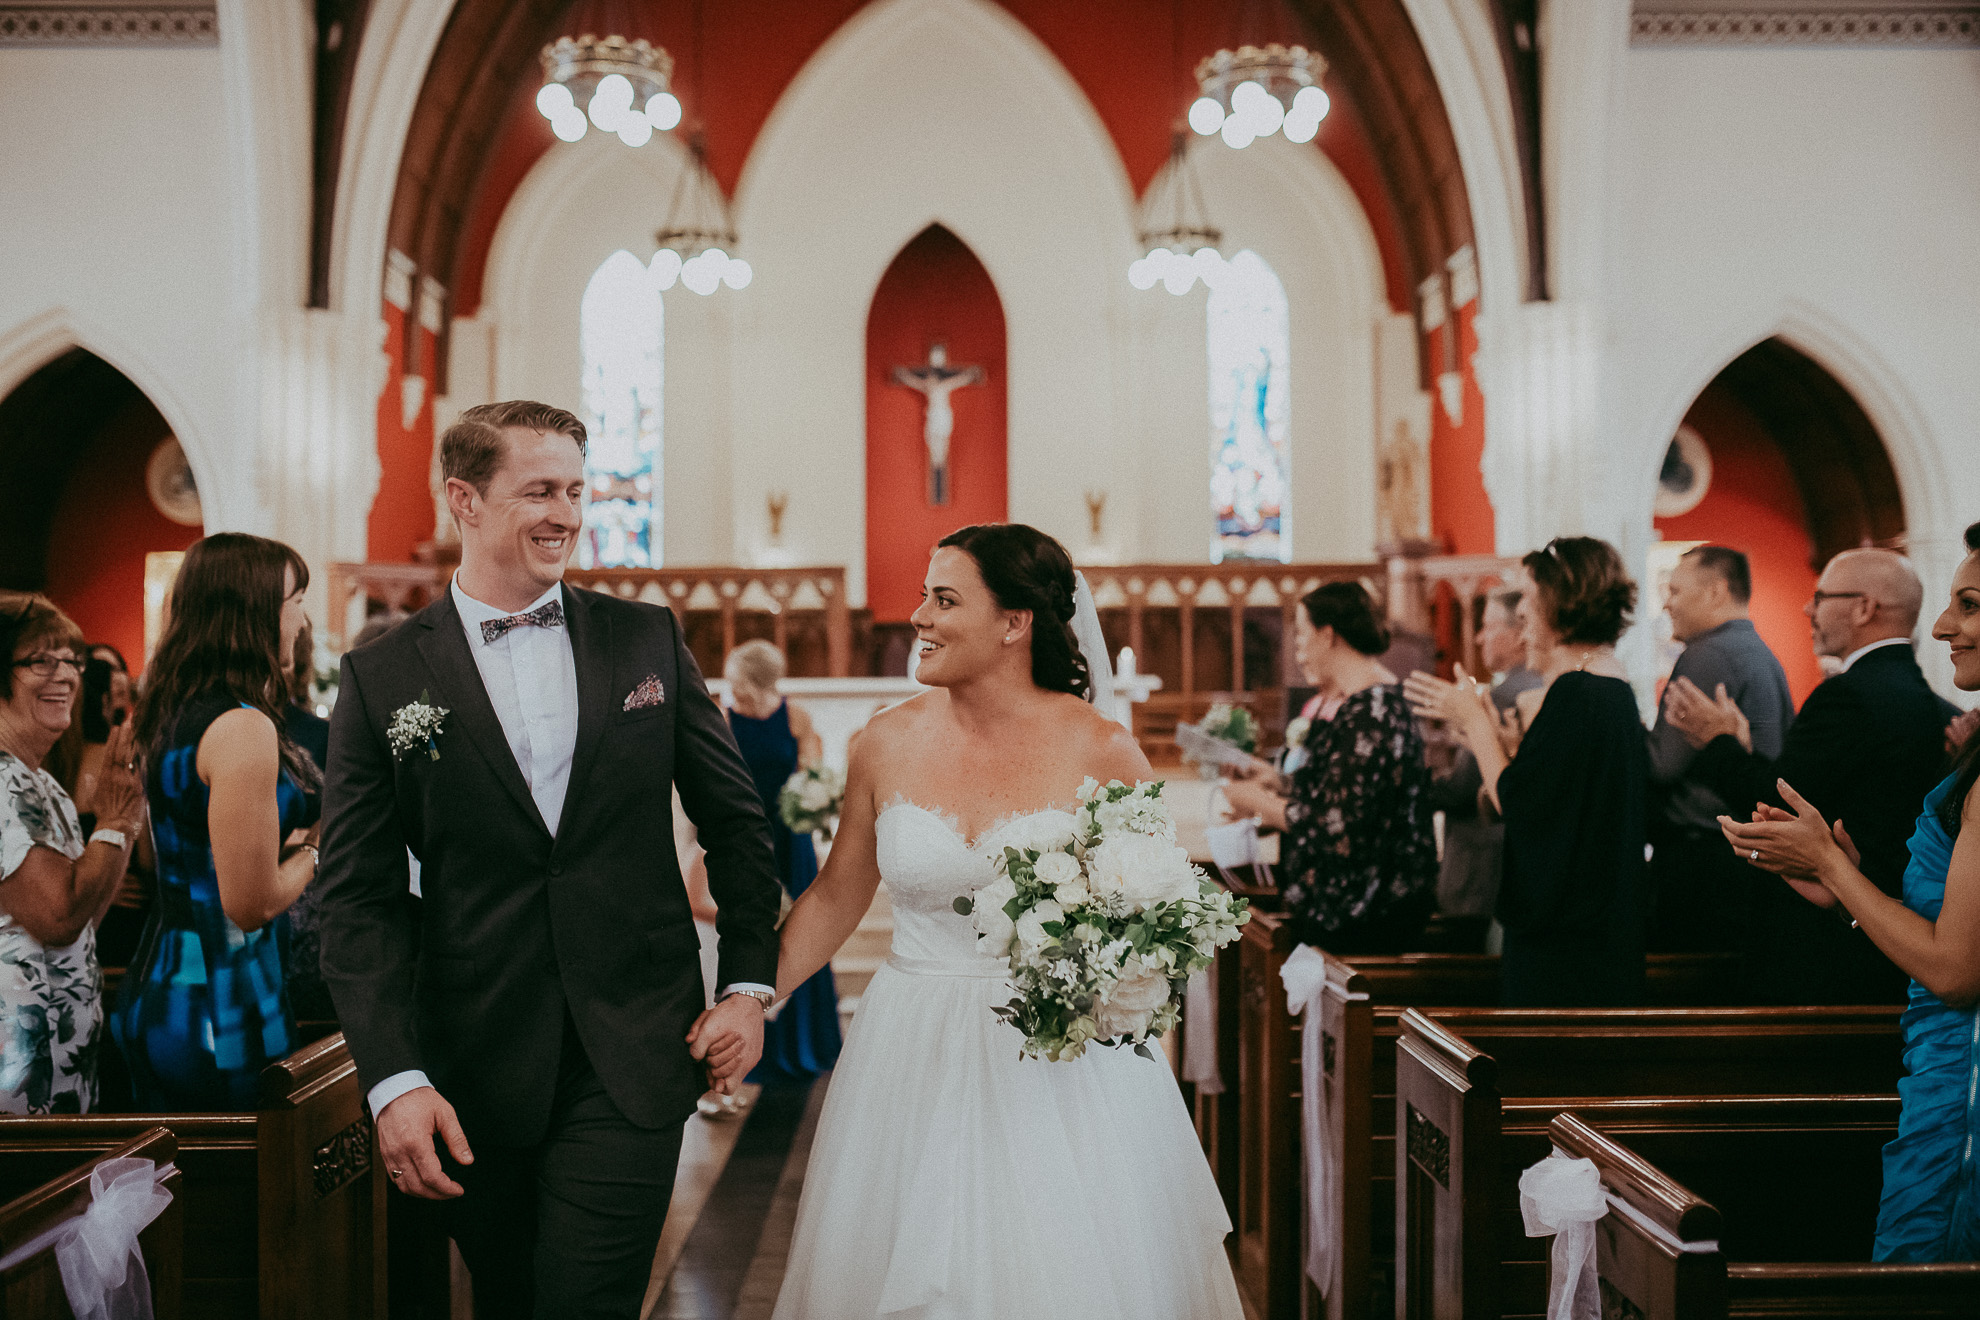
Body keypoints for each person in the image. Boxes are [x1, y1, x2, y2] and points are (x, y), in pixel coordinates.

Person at [316, 400, 784, 1319]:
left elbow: (736, 822)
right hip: (472, 1057)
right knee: (512, 1295)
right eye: (539, 490)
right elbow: (357, 897)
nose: (566, 514)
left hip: (635, 1045)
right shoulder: (383, 677)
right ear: (466, 499)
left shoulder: (644, 640)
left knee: (584, 1299)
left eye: (575, 490)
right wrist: (394, 1079)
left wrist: (747, 987)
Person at [742, 523, 1243, 1319]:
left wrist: (1109, 976)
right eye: (922, 596)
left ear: (1015, 623)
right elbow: (837, 895)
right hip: (911, 1046)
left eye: (945, 600)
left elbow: (1160, 917)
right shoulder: (884, 742)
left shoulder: (1101, 748)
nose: (918, 618)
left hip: (1056, 1065)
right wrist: (745, 998)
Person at [1720, 521, 1980, 1262]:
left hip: (1964, 1079)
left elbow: (1959, 971)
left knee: (1931, 1273)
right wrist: (1844, 890)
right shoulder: (1941, 718)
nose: (1942, 626)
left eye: (1969, 604)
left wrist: (1833, 869)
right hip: (1935, 1057)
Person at [1665, 548, 1956, 1004]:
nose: (1808, 608)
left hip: (1828, 939)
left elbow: (1777, 804)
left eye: (1820, 597)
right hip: (1888, 926)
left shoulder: (1850, 696)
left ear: (1864, 608)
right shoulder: (1920, 697)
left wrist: (1717, 740)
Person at [112, 534, 323, 1109]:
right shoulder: (241, 726)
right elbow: (249, 904)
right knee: (251, 1191)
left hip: (162, 980)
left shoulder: (168, 711)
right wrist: (318, 846)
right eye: (296, 601)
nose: (302, 622)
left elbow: (160, 860)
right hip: (224, 1000)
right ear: (251, 613)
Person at [1407, 537, 1647, 1007]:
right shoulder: (1607, 689)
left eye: (1531, 604)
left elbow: (1518, 802)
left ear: (1563, 606)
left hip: (1567, 941)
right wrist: (1507, 742)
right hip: (1597, 925)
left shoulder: (1577, 693)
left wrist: (1475, 721)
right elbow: (1558, 795)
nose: (1522, 621)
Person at [1222, 581, 1438, 952]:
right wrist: (1277, 781)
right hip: (1350, 911)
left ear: (1327, 636)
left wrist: (1258, 802)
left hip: (1366, 917)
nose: (1298, 652)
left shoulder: (1373, 712)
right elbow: (1343, 790)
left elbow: (1336, 823)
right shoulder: (1361, 705)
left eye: (1302, 636)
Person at [0, 594, 144, 1113]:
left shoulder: (40, 782)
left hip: (58, 1061)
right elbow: (58, 915)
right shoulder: (2, 781)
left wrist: (119, 824)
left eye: (72, 661)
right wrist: (115, 822)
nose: (65, 675)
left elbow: (86, 918)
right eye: (42, 660)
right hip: (15, 1072)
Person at [1646, 545, 1795, 952]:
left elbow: (1662, 764)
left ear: (1716, 592)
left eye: (1674, 591)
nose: (1666, 604)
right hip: (1744, 858)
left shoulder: (1709, 653)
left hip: (1703, 861)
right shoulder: (1759, 651)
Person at [722, 640, 841, 1086]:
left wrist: (810, 797)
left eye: (738, 680)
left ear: (757, 680)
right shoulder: (723, 716)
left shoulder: (796, 717)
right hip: (745, 839)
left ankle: (804, 1043)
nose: (732, 688)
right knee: (754, 928)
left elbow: (814, 774)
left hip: (790, 840)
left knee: (800, 928)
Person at [1427, 590, 1542, 939]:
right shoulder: (1538, 687)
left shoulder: (1505, 697)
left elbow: (1464, 789)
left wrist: (1409, 784)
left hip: (1482, 867)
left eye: (1488, 626)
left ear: (1518, 632)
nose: (1479, 638)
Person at [280, 615, 336, 1026]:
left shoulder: (319, 734)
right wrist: (312, 842)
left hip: (311, 912)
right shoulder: (240, 726)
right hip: (287, 906)